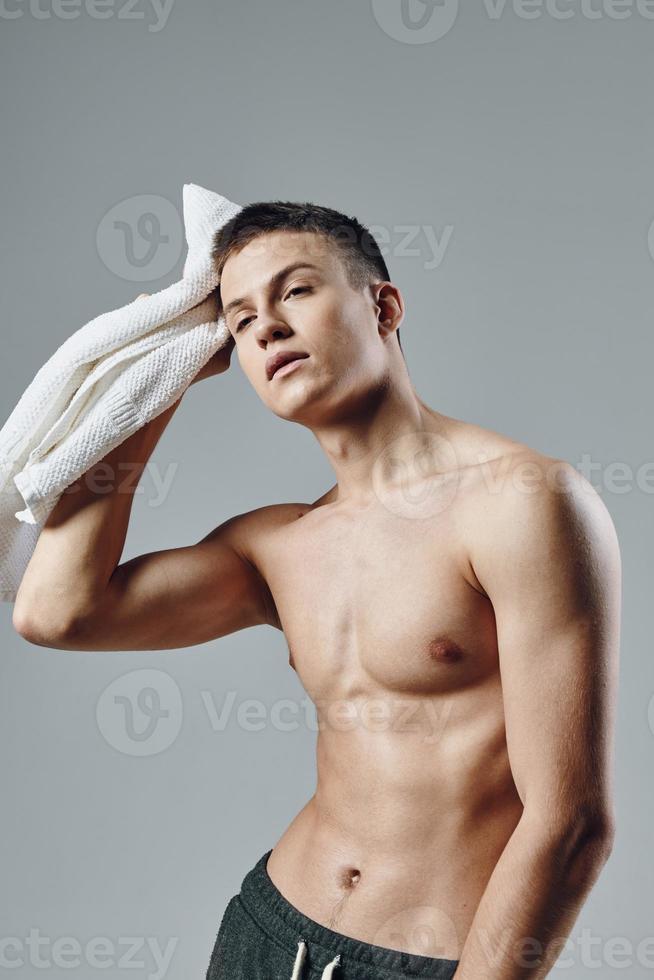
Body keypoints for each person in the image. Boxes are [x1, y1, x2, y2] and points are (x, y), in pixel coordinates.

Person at [12, 200, 621, 980]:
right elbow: (56, 611)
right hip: (265, 933)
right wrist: (158, 376)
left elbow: (572, 824)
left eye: (295, 291)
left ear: (384, 305)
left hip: (433, 962)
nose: (265, 326)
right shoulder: (278, 544)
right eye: (237, 320)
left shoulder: (522, 502)